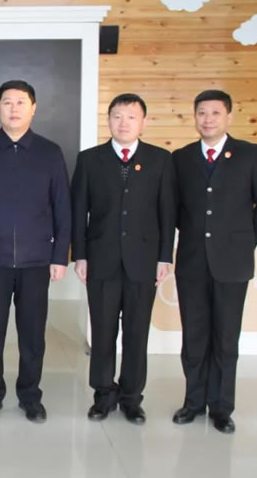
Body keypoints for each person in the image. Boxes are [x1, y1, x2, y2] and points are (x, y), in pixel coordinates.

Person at [0, 80, 71, 423]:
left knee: (33, 334)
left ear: (33, 108)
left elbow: (62, 208)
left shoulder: (50, 153)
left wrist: (59, 256)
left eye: (21, 102)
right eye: (7, 102)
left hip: (36, 261)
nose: (14, 108)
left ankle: (30, 396)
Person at [172, 89, 257, 434]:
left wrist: (245, 238)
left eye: (215, 113)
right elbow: (175, 208)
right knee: (194, 336)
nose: (208, 119)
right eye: (201, 113)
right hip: (192, 261)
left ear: (228, 116)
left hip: (232, 263)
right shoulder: (182, 158)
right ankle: (193, 402)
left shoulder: (249, 154)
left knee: (225, 337)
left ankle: (221, 407)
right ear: (194, 117)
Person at [71, 93, 176, 425]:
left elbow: (167, 212)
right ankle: (103, 395)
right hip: (101, 259)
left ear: (143, 122)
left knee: (136, 332)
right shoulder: (90, 160)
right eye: (117, 116)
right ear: (109, 121)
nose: (124, 122)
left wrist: (164, 257)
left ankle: (132, 397)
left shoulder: (160, 160)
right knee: (102, 332)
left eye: (131, 117)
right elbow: (78, 212)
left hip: (143, 262)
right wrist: (80, 255)